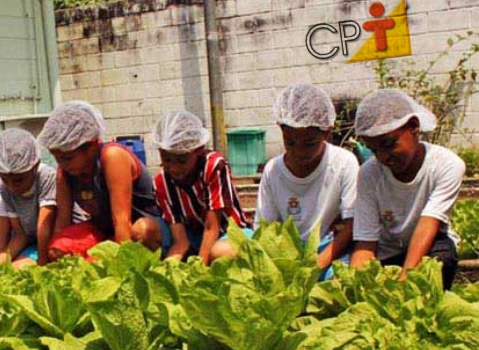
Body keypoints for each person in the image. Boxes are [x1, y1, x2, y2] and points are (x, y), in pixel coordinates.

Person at [350, 89, 464, 289]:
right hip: (388, 252)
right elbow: (366, 242)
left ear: (413, 127)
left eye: (389, 144)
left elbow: (428, 225)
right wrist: (356, 286)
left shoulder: (446, 164)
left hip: (429, 246)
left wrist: (404, 283)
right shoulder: (368, 174)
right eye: (374, 150)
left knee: (439, 260)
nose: (383, 157)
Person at [256, 83, 359, 276]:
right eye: (290, 142)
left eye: (309, 143)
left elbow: (351, 225)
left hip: (328, 249)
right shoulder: (272, 170)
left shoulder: (344, 163)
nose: (299, 152)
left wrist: (318, 265)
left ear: (326, 132)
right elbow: (265, 229)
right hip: (287, 252)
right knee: (224, 252)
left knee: (340, 281)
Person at [37, 101, 162, 259]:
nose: (62, 164)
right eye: (57, 158)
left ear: (91, 146)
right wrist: (52, 257)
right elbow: (62, 225)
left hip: (141, 228)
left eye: (67, 158)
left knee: (142, 231)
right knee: (58, 249)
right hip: (104, 230)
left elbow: (122, 221)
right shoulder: (65, 173)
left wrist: (118, 269)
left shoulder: (112, 157)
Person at [151, 111, 251, 264]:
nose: (174, 168)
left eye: (182, 161)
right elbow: (180, 242)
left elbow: (212, 227)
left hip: (227, 232)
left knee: (220, 253)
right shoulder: (161, 182)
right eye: (167, 159)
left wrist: (199, 269)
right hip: (192, 236)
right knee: (143, 229)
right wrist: (168, 269)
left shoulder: (213, 166)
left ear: (198, 150)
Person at [0, 128, 57, 267]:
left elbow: (44, 227)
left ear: (35, 166)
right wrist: (0, 262)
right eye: (5, 180)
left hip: (52, 240)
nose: (12, 187)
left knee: (18, 269)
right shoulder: (5, 189)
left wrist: (42, 264)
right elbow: (20, 235)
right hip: (31, 242)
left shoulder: (46, 177)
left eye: (18, 180)